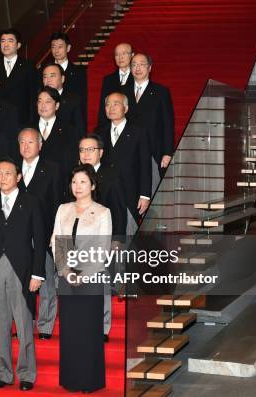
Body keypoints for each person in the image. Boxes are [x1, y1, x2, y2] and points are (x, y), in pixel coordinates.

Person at [0, 158, 46, 392]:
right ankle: (4, 373)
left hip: (22, 269)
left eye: (8, 173)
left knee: (24, 323)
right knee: (0, 325)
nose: (2, 178)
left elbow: (39, 241)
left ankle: (27, 373)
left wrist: (38, 273)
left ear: (18, 177)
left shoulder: (31, 202)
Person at [51, 164, 112, 393]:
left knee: (89, 331)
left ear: (93, 185)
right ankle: (71, 379)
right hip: (67, 277)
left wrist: (84, 276)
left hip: (91, 278)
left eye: (83, 182)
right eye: (75, 181)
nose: (78, 186)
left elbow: (102, 250)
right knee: (70, 331)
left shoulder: (103, 212)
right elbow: (59, 243)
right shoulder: (63, 209)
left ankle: (89, 381)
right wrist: (66, 272)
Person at [17, 128, 62, 340]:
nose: (26, 146)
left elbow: (58, 204)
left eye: (31, 142)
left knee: (45, 282)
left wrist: (56, 233)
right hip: (18, 238)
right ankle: (23, 323)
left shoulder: (52, 169)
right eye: (22, 142)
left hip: (44, 234)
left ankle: (45, 325)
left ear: (40, 145)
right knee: (20, 283)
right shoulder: (11, 170)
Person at [95, 92, 151, 236]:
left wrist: (145, 195)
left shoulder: (139, 132)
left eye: (116, 104)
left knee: (126, 237)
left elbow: (145, 165)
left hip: (129, 193)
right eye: (107, 105)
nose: (111, 108)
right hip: (105, 193)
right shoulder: (99, 132)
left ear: (125, 108)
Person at [77, 134, 112, 338]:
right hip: (77, 240)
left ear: (100, 152)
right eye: (82, 150)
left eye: (90, 149)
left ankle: (102, 326)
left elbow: (115, 207)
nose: (86, 154)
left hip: (101, 237)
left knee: (100, 282)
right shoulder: (74, 177)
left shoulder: (111, 174)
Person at [122, 53, 174, 187]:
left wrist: (168, 152)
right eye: (133, 65)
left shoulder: (161, 92)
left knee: (153, 187)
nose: (137, 68)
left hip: (153, 149)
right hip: (128, 148)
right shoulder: (122, 92)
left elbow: (167, 124)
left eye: (141, 64)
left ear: (150, 68)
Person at [34, 86, 78, 186]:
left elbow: (72, 161)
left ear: (57, 105)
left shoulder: (69, 130)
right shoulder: (28, 129)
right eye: (40, 101)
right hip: (33, 186)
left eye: (48, 101)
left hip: (59, 184)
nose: (43, 105)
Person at [0, 28, 39, 123]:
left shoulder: (28, 66)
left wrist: (33, 121)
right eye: (3, 41)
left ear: (18, 45)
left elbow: (33, 96)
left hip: (21, 119)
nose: (6, 44)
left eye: (10, 41)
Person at [49, 32, 87, 122]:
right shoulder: (44, 71)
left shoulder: (79, 72)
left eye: (60, 46)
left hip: (71, 120)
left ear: (68, 48)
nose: (56, 50)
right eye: (53, 47)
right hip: (49, 118)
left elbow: (82, 102)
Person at [42, 62, 85, 137]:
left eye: (52, 76)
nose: (48, 80)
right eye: (45, 77)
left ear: (62, 79)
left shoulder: (73, 100)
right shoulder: (37, 100)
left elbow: (79, 130)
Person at [97, 43, 134, 125]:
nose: (120, 57)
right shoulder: (108, 79)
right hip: (112, 125)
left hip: (133, 125)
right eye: (117, 54)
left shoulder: (137, 77)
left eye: (124, 53)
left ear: (132, 55)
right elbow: (103, 107)